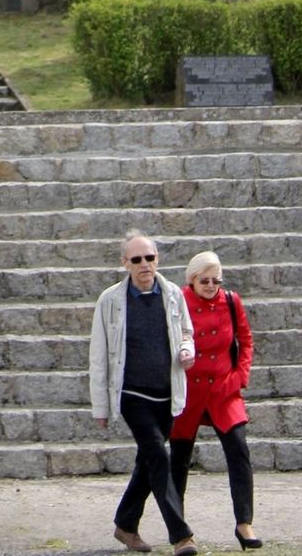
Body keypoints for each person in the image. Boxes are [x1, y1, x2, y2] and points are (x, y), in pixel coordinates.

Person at [89, 230, 198, 556]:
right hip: (133, 395)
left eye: (149, 258)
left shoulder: (174, 294)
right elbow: (99, 355)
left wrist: (187, 349)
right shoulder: (110, 301)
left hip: (167, 393)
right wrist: (101, 407)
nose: (144, 265)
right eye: (136, 259)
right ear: (125, 263)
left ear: (157, 259)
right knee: (159, 458)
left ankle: (125, 525)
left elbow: (187, 332)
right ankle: (181, 535)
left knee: (147, 462)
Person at [170, 252, 261, 551]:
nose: (211, 286)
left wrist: (240, 377)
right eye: (204, 281)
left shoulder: (231, 301)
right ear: (191, 280)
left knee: (239, 450)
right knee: (178, 460)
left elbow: (246, 341)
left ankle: (244, 523)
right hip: (189, 391)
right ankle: (180, 533)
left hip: (224, 389)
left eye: (216, 281)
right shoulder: (177, 301)